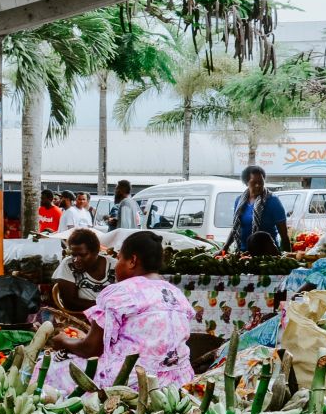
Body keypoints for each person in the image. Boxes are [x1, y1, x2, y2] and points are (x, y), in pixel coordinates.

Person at [47, 231, 193, 391]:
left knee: (50, 364)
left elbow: (90, 349)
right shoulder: (176, 293)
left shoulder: (119, 292)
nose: (116, 264)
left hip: (131, 381)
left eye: (119, 259)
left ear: (132, 261)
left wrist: (63, 341)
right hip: (179, 381)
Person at [224, 165, 292, 252]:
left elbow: (284, 235)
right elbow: (235, 227)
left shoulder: (273, 201)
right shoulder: (239, 201)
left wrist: (288, 256)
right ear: (246, 182)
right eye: (254, 182)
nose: (258, 185)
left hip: (267, 254)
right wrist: (225, 247)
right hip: (243, 252)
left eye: (261, 182)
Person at [52, 227, 114, 312]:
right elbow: (70, 303)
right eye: (73, 255)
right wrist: (105, 307)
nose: (76, 260)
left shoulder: (115, 265)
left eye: (82, 255)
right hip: (82, 317)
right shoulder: (68, 264)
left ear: (96, 252)